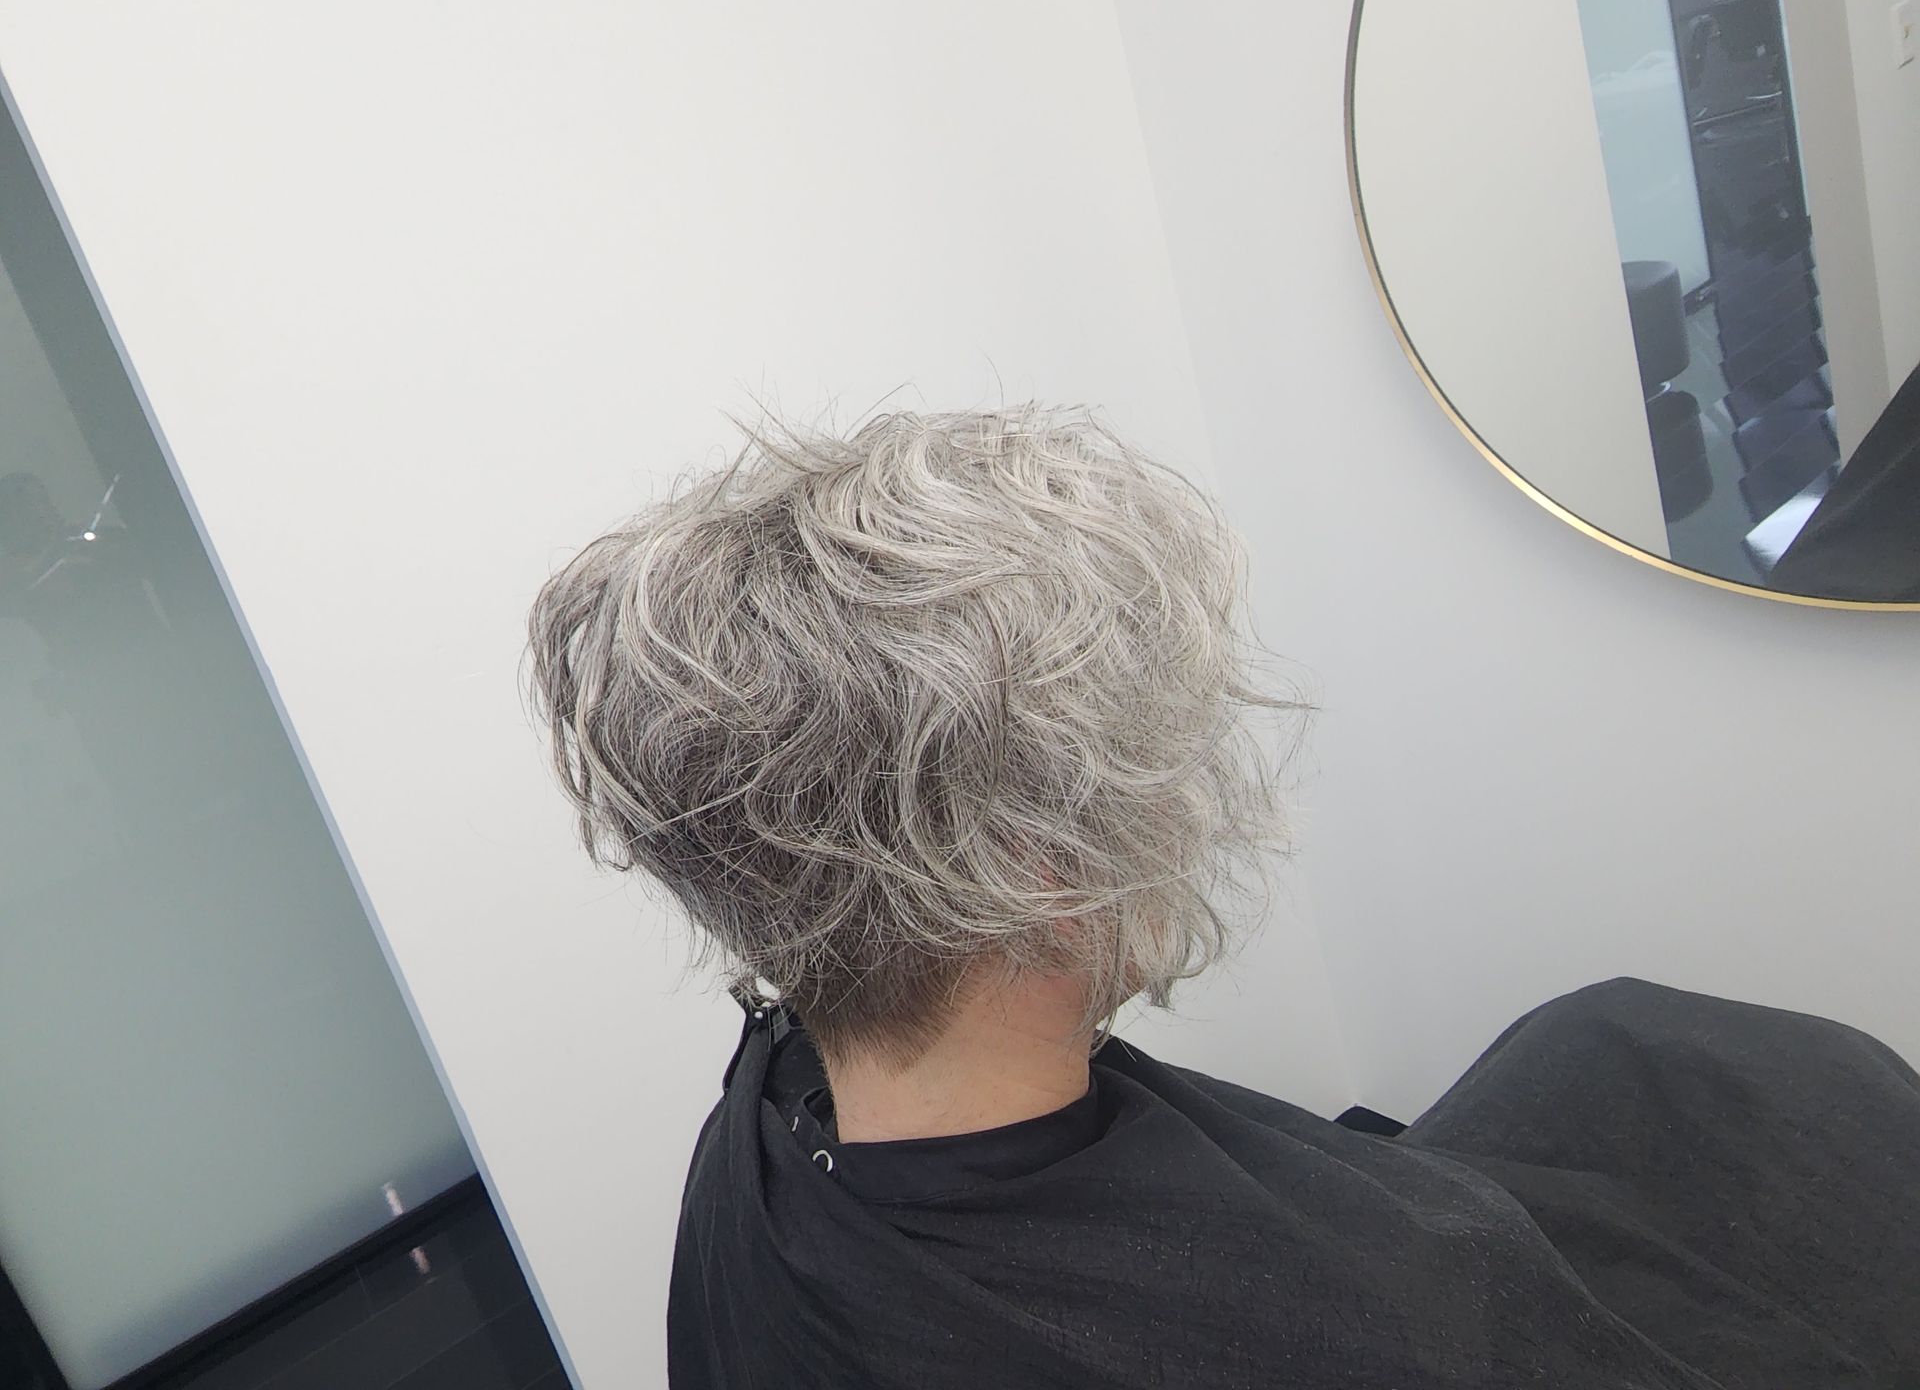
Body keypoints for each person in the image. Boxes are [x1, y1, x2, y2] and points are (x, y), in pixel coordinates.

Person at [526, 406, 1919, 1388]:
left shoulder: (764, 1124)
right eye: (1156, 753)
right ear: (1028, 866)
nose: (1183, 796)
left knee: (1609, 1044)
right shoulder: (1373, 1338)